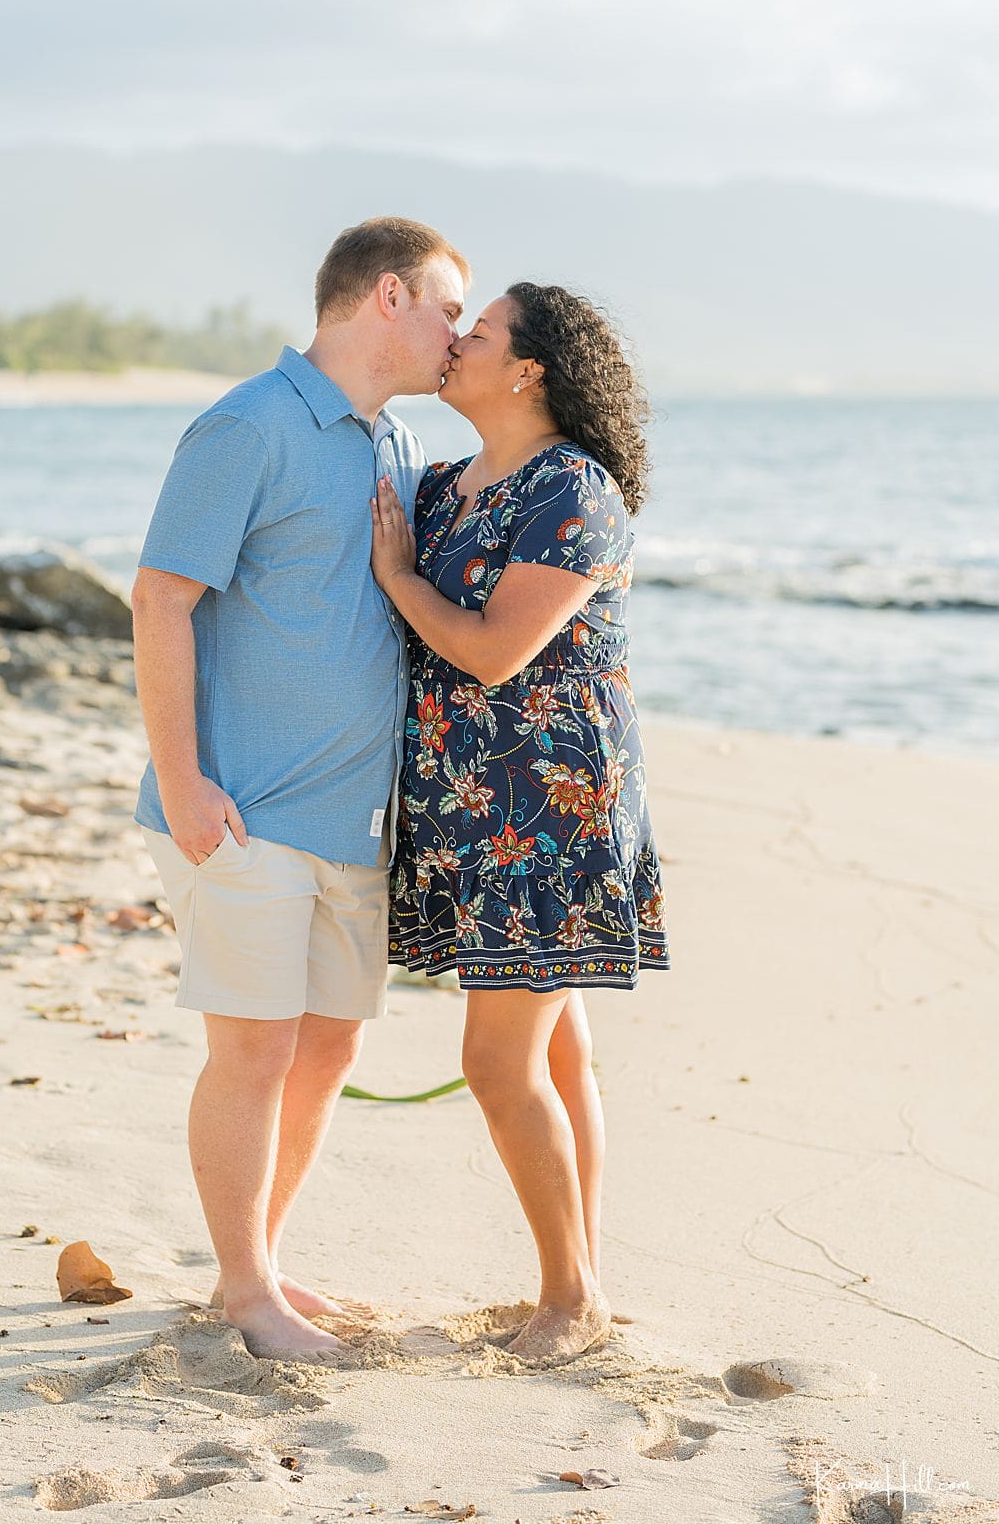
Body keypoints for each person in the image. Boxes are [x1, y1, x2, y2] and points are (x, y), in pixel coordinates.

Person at [132, 217, 469, 1361]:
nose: (457, 334)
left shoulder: (394, 441)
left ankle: (258, 1263)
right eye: (446, 308)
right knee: (257, 1051)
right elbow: (160, 599)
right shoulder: (247, 425)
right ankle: (243, 1291)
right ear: (387, 297)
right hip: (243, 809)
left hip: (353, 819)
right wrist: (183, 782)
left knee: (330, 1049)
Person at [370, 281, 668, 1362]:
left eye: (478, 334)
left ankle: (570, 1303)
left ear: (529, 369)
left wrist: (398, 576)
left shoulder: (573, 489)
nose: (455, 344)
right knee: (559, 1055)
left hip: (550, 813)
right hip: (474, 809)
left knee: (502, 1066)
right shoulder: (447, 484)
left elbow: (495, 650)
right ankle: (579, 1281)